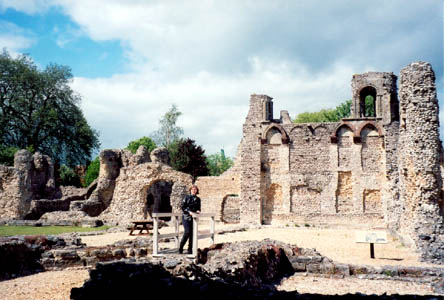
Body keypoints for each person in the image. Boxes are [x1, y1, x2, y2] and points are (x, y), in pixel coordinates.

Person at [179, 185, 201, 254]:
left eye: (195, 189)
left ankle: (190, 249)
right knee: (187, 232)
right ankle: (181, 247)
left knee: (192, 233)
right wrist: (189, 212)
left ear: (197, 191)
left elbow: (198, 208)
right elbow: (183, 207)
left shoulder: (198, 199)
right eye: (192, 189)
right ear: (190, 190)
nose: (194, 190)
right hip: (186, 217)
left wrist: (198, 211)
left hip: (193, 217)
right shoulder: (186, 197)